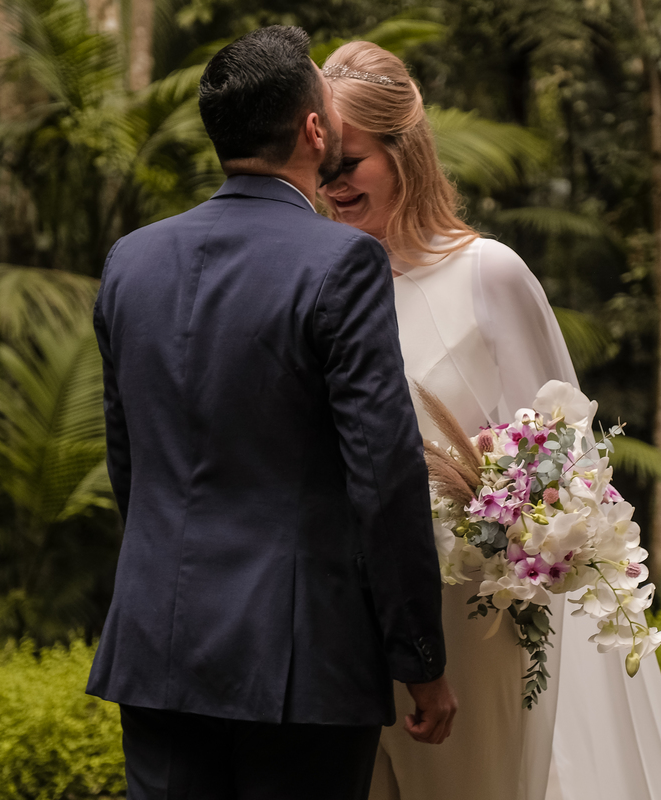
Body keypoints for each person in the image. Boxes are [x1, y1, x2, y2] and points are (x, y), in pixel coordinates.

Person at [320, 41, 661, 800]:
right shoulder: (320, 286)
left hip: (473, 624)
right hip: (349, 621)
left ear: (403, 153)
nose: (332, 185)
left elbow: (562, 463)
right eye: (321, 166)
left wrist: (515, 526)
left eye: (350, 163)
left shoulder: (486, 272)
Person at [86, 27, 458, 800]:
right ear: (315, 130)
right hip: (301, 659)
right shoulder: (341, 262)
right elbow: (383, 476)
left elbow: (130, 464)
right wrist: (420, 657)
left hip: (157, 647)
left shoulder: (131, 261)